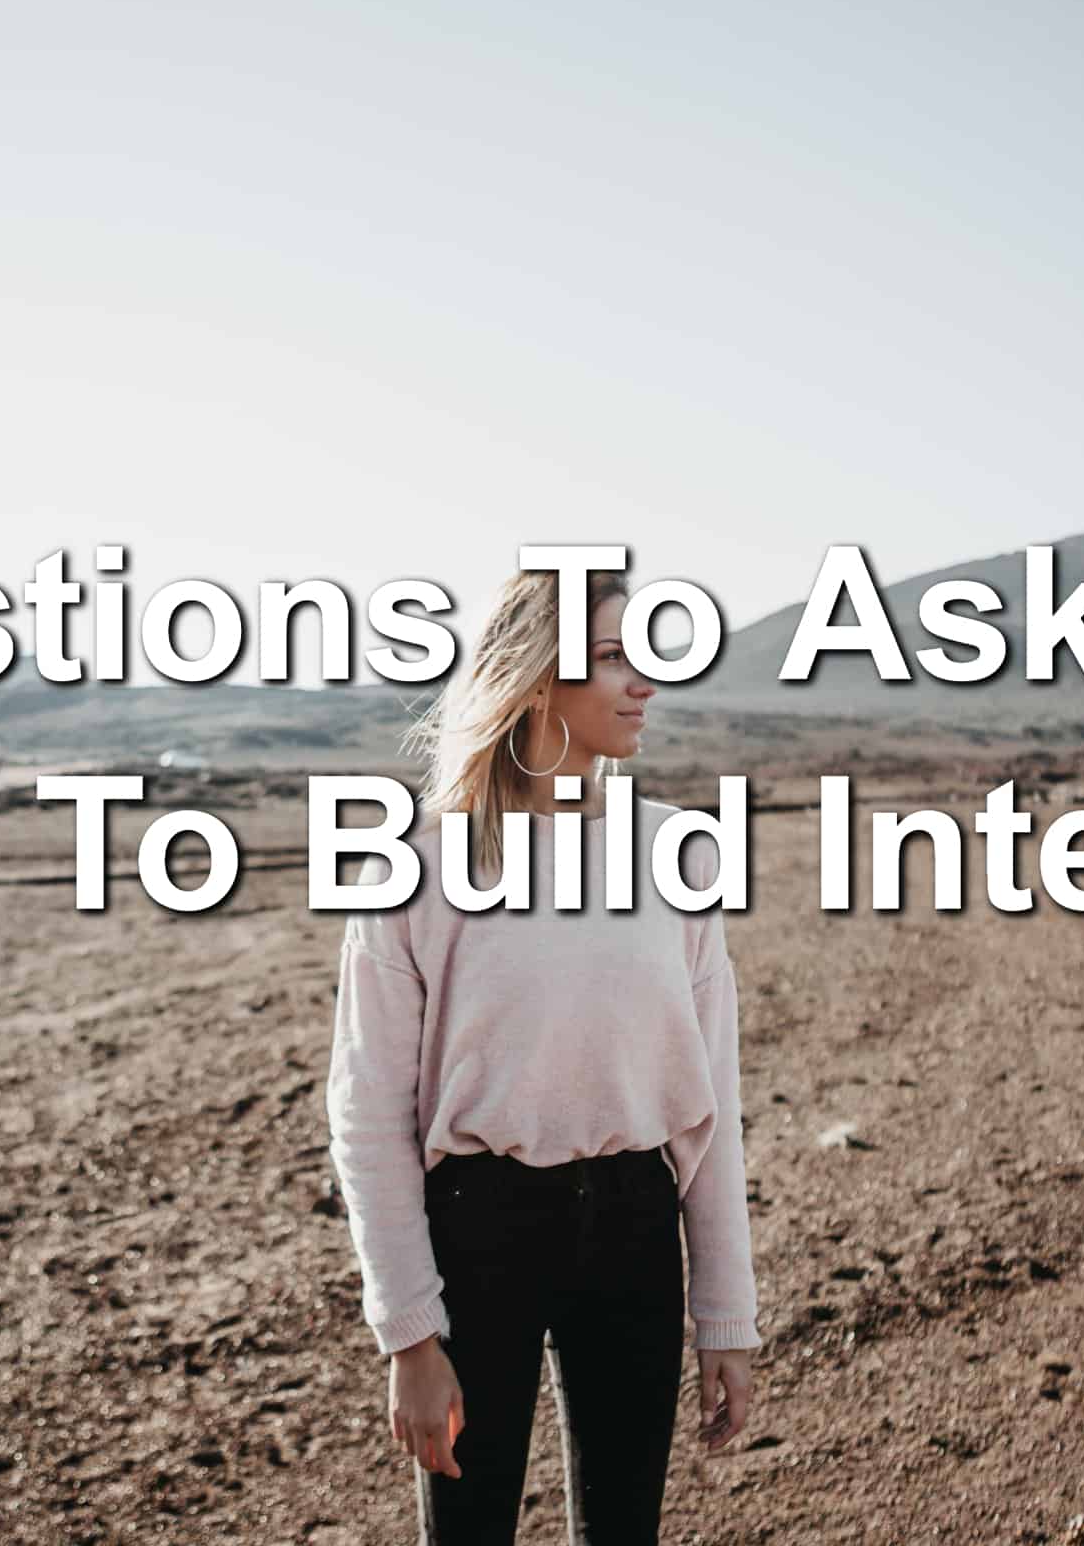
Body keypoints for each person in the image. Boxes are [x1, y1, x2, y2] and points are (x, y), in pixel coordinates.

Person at [325, 567, 761, 1545]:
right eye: (611, 657)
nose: (644, 679)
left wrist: (727, 1319)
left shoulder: (678, 856)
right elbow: (366, 1114)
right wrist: (410, 1335)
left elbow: (711, 1105)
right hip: (477, 1239)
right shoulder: (420, 867)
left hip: (637, 1232)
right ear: (531, 682)